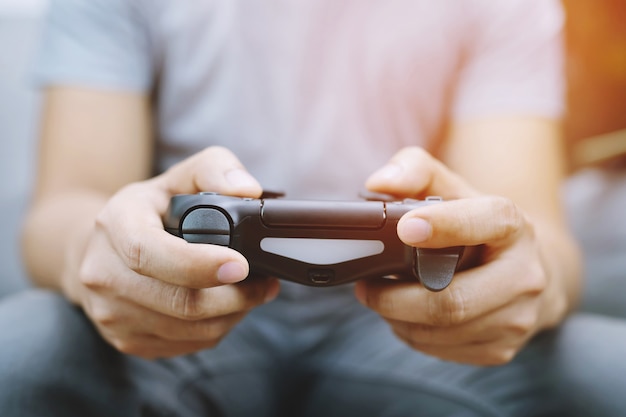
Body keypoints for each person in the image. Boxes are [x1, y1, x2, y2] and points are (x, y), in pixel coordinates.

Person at [1, 0, 626, 416]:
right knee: (20, 350)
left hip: (410, 333)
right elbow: (65, 208)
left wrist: (527, 285)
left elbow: (539, 238)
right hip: (182, 323)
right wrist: (107, 255)